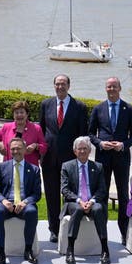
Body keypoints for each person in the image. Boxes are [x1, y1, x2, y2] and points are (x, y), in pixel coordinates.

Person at [89, 76, 132, 245]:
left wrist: (123, 145)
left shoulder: (129, 108)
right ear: (106, 89)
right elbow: (90, 134)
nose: (111, 89)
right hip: (102, 157)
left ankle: (124, 232)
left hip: (121, 157)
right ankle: (101, 231)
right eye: (109, 87)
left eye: (114, 87)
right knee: (101, 194)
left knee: (123, 194)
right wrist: (100, 143)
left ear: (120, 88)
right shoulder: (98, 108)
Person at [39, 74, 88, 243]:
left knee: (69, 196)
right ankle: (53, 229)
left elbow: (82, 134)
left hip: (70, 160)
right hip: (49, 158)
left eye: (63, 84)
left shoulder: (80, 107)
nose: (60, 87)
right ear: (54, 86)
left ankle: (68, 228)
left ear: (69, 86)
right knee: (52, 195)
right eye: (57, 84)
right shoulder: (46, 104)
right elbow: (42, 131)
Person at [0, 138, 41, 264]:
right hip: (7, 202)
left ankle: (28, 250)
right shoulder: (1, 167)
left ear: (25, 149)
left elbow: (37, 194)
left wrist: (25, 202)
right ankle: (1, 253)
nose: (15, 151)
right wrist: (4, 200)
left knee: (31, 211)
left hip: (24, 203)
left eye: (18, 148)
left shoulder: (34, 169)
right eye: (12, 149)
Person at [60, 136, 110, 264]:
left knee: (98, 209)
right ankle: (70, 249)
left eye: (85, 149)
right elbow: (65, 189)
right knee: (77, 209)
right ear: (75, 151)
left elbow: (102, 189)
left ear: (89, 151)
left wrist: (92, 201)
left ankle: (105, 249)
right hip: (74, 202)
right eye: (79, 149)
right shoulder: (67, 166)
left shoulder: (98, 167)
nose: (82, 151)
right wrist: (79, 201)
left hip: (92, 202)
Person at [0, 100, 47, 167]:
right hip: (9, 167)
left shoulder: (36, 129)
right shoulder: (6, 127)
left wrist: (36, 146)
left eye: (22, 112)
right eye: (16, 113)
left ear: (27, 114)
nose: (19, 115)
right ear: (13, 115)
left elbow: (44, 147)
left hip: (29, 168)